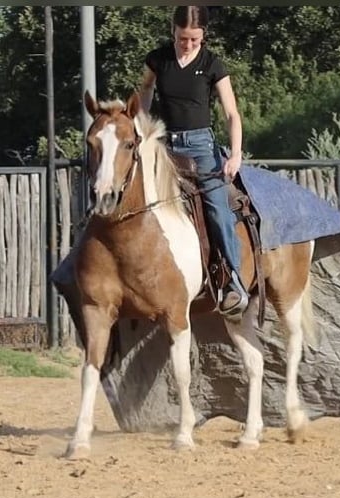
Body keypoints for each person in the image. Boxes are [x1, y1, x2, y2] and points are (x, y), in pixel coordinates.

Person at [139, 5, 249, 319]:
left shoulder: (212, 63)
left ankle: (234, 284)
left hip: (202, 148)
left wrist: (236, 155)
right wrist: (142, 125)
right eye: (182, 38)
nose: (187, 44)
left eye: (194, 40)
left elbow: (231, 114)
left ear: (203, 37)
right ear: (173, 31)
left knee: (218, 209)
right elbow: (145, 90)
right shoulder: (157, 59)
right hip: (165, 144)